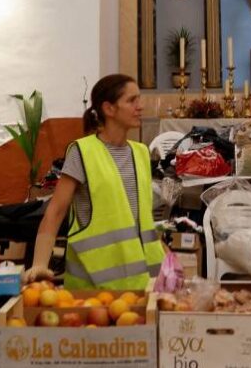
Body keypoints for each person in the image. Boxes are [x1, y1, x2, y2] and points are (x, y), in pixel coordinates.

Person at [24, 74, 164, 288]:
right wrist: (39, 264)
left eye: (140, 99)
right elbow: (56, 211)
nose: (140, 106)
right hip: (93, 290)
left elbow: (141, 220)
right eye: (131, 100)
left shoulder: (141, 153)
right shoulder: (82, 151)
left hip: (144, 284)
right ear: (109, 109)